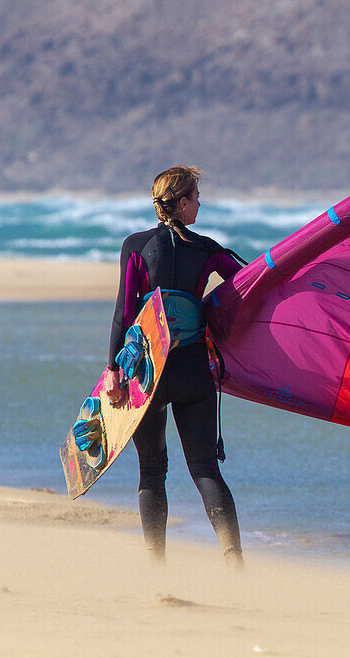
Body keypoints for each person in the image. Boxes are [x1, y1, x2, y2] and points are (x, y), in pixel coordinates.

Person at [106, 165, 244, 565]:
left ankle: (156, 566)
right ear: (182, 203)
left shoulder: (135, 246)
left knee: (151, 472)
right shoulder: (208, 249)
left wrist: (113, 370)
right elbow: (244, 287)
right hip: (193, 372)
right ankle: (234, 560)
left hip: (146, 376)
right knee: (204, 470)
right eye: (196, 197)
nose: (199, 203)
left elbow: (124, 312)